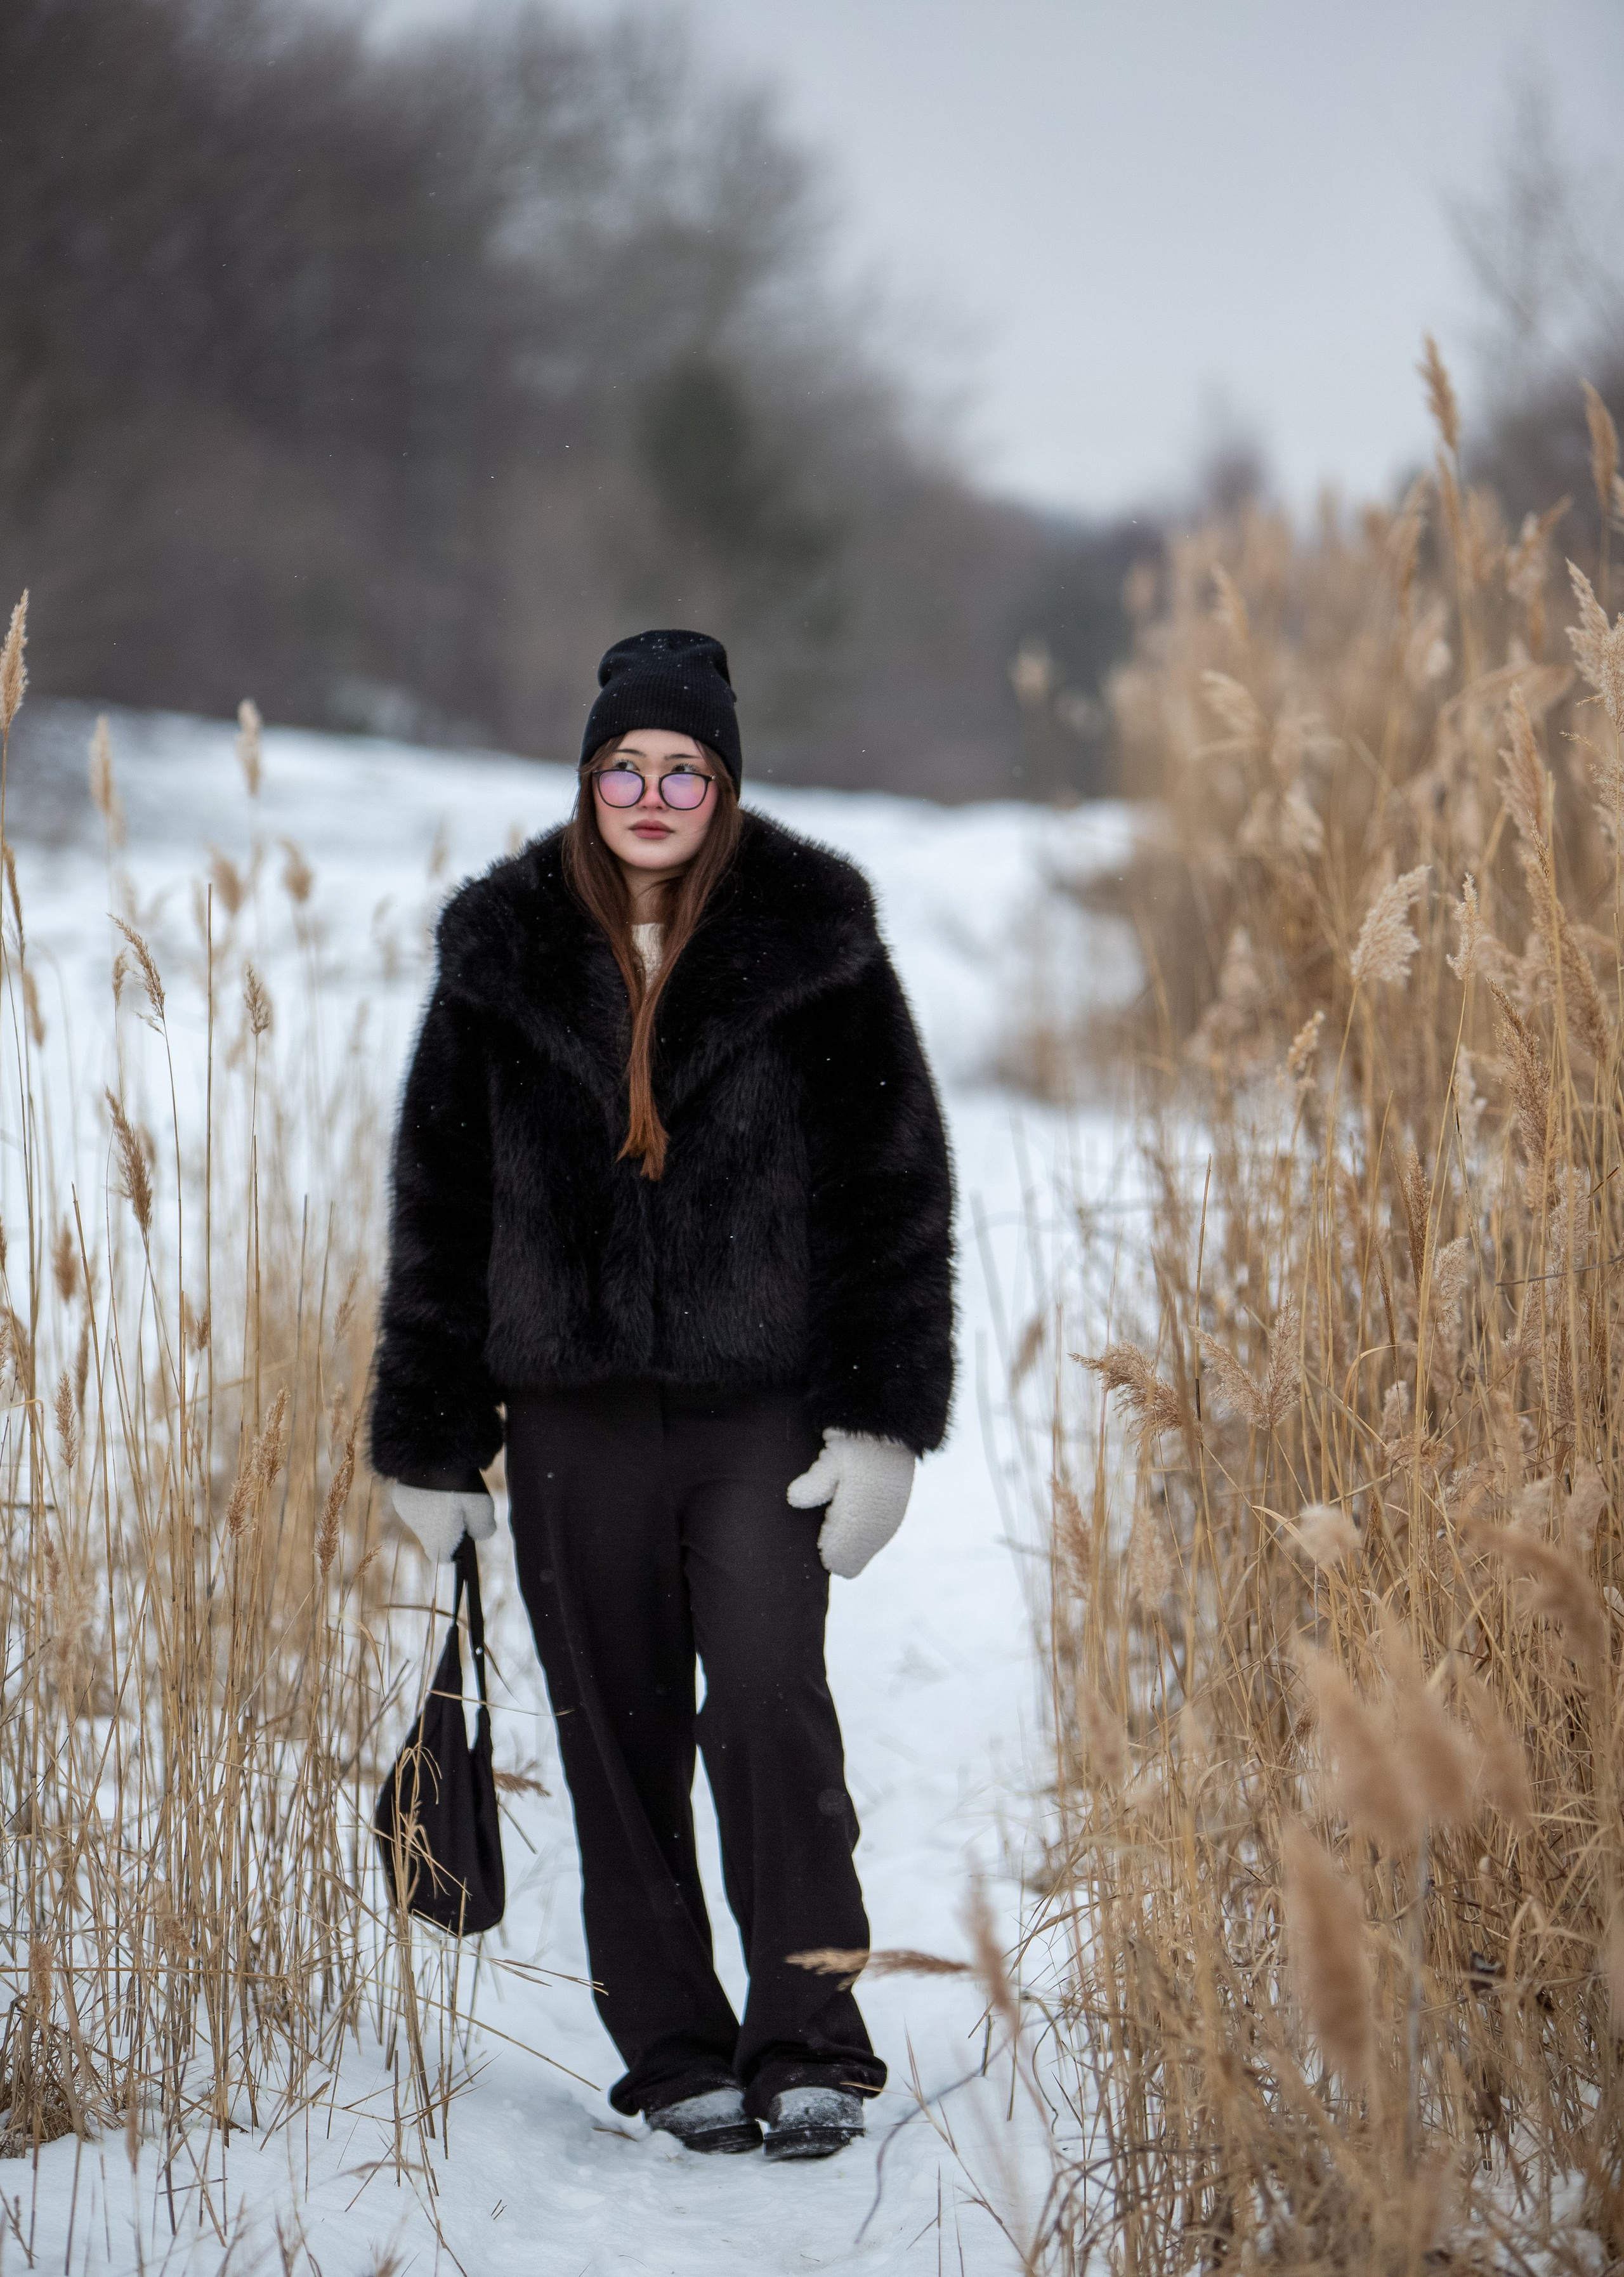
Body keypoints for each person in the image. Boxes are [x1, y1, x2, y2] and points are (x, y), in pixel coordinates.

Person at [370, 629, 954, 2162]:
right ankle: (679, 2049)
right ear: (586, 779)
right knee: (611, 1735)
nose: (648, 791)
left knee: (767, 1703)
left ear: (724, 785)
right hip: (566, 1413)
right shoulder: (501, 952)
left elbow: (893, 1189)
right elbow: (439, 1202)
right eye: (622, 766)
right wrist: (429, 1432)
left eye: (679, 768)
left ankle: (810, 2035)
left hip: (756, 1406)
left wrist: (882, 1419)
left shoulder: (815, 944)